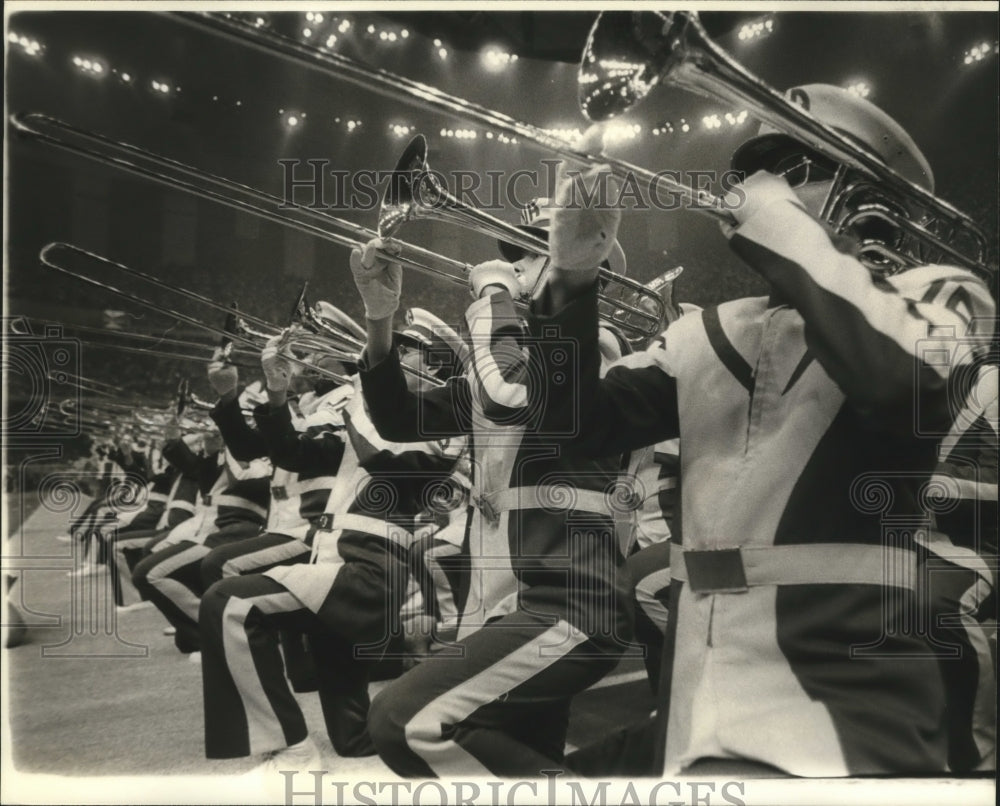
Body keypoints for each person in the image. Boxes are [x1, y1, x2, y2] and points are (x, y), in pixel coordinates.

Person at [526, 84, 996, 776]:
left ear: (869, 198)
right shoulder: (708, 332)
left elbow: (903, 383)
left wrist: (776, 217)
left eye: (798, 167)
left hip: (847, 700)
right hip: (702, 692)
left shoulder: (941, 295)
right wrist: (570, 274)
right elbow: (567, 428)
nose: (760, 185)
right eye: (759, 169)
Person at [353, 200, 633, 778]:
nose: (516, 265)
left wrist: (492, 300)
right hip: (506, 604)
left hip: (570, 597)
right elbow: (396, 420)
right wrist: (380, 318)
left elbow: (510, 391)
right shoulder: (503, 362)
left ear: (587, 270)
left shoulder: (597, 347)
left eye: (535, 254)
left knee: (402, 720)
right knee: (511, 757)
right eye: (518, 254)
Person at [198, 312, 464, 777]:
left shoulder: (444, 426)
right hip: (334, 562)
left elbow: (385, 460)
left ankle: (291, 750)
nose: (396, 355)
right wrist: (276, 391)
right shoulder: (366, 415)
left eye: (407, 350)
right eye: (396, 348)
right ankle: (437, 732)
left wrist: (364, 393)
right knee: (357, 740)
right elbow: (288, 453)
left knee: (232, 604)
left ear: (435, 367)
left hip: (369, 572)